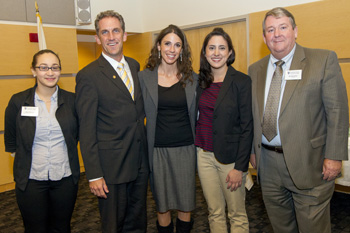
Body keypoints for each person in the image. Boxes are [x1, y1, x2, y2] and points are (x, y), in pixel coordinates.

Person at [248, 7, 349, 233]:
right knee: (281, 227)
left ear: (295, 31)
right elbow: (253, 114)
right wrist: (253, 151)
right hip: (268, 165)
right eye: (270, 30)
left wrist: (334, 156)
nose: (277, 34)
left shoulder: (322, 60)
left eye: (283, 27)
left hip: (310, 162)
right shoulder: (255, 70)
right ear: (264, 37)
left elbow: (337, 112)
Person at [75, 10, 149, 233]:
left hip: (139, 162)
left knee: (138, 221)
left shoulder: (135, 66)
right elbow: (86, 130)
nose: (111, 37)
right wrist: (94, 174)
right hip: (111, 169)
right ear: (97, 39)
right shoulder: (88, 76)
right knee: (113, 225)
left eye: (116, 30)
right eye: (104, 32)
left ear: (124, 34)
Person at [4, 49, 80, 233]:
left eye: (55, 67)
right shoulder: (18, 101)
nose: (50, 72)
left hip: (64, 177)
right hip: (31, 179)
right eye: (43, 67)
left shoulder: (72, 101)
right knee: (35, 228)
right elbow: (11, 139)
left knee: (61, 227)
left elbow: (77, 135)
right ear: (33, 70)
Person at [138, 24, 197, 233]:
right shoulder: (144, 78)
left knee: (185, 202)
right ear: (159, 46)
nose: (172, 49)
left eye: (177, 45)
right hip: (157, 150)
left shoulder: (193, 79)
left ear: (182, 50)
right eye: (168, 43)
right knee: (161, 205)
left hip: (186, 150)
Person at [195, 28, 253, 233]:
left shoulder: (241, 81)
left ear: (230, 52)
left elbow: (248, 127)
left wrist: (240, 167)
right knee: (214, 211)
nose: (216, 53)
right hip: (203, 156)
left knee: (236, 213)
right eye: (211, 48)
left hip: (230, 160)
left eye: (222, 48)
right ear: (205, 52)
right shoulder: (199, 82)